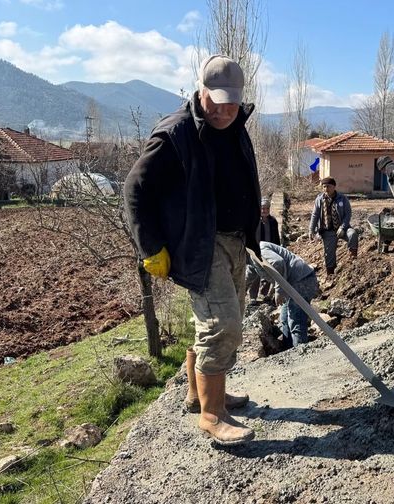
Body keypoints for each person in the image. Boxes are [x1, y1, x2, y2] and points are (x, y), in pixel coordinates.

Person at [124, 54, 259, 445]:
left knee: (226, 320)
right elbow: (135, 191)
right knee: (222, 326)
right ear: (201, 92)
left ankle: (198, 391)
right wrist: (150, 247)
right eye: (216, 100)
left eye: (231, 101)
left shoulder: (235, 126)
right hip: (199, 245)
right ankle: (212, 414)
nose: (224, 109)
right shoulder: (175, 133)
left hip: (233, 240)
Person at [249, 242, 319, 348]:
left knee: (296, 320)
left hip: (301, 280)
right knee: (284, 319)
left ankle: (301, 354)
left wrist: (279, 290)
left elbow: (278, 263)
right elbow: (249, 274)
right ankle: (289, 351)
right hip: (293, 283)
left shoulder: (260, 250)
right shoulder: (251, 256)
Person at [308, 177, 357, 275]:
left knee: (353, 234)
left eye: (328, 186)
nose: (326, 189)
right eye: (324, 187)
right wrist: (311, 230)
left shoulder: (342, 199)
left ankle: (353, 258)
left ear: (334, 187)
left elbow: (348, 214)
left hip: (342, 228)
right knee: (328, 256)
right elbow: (315, 215)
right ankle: (330, 274)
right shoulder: (319, 199)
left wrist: (343, 227)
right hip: (327, 231)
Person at [249, 197, 281, 301]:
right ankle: (252, 297)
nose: (264, 211)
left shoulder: (273, 221)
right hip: (255, 250)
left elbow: (276, 237)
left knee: (268, 272)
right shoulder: (253, 220)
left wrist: (277, 249)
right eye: (262, 208)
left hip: (268, 251)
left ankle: (264, 294)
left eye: (267, 208)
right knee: (255, 274)